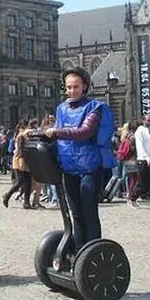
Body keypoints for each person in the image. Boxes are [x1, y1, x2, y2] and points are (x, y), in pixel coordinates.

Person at [42, 67, 115, 251]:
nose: (71, 91)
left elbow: (85, 132)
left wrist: (57, 132)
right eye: (68, 87)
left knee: (89, 213)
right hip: (69, 168)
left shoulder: (94, 108)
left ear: (84, 87)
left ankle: (92, 252)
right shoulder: (61, 108)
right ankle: (79, 252)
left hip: (89, 168)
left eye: (75, 87)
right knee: (75, 215)